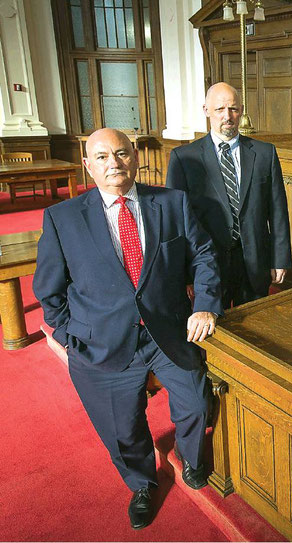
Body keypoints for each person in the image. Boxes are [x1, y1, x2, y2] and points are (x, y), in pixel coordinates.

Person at [33, 129, 223, 530]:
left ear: (135, 157)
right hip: (100, 342)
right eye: (101, 157)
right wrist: (71, 337)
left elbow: (204, 255)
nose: (113, 164)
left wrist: (204, 306)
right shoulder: (62, 218)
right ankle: (141, 483)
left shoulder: (172, 202)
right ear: (87, 165)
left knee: (198, 402)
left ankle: (191, 458)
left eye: (120, 154)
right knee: (123, 429)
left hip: (167, 332)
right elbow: (48, 292)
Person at [166, 82, 291, 308]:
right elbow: (175, 223)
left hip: (255, 262)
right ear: (206, 110)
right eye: (220, 109)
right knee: (215, 332)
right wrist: (184, 273)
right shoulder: (183, 158)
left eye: (233, 109)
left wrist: (280, 258)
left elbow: (278, 209)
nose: (228, 116)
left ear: (241, 110)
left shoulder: (265, 153)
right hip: (207, 265)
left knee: (256, 328)